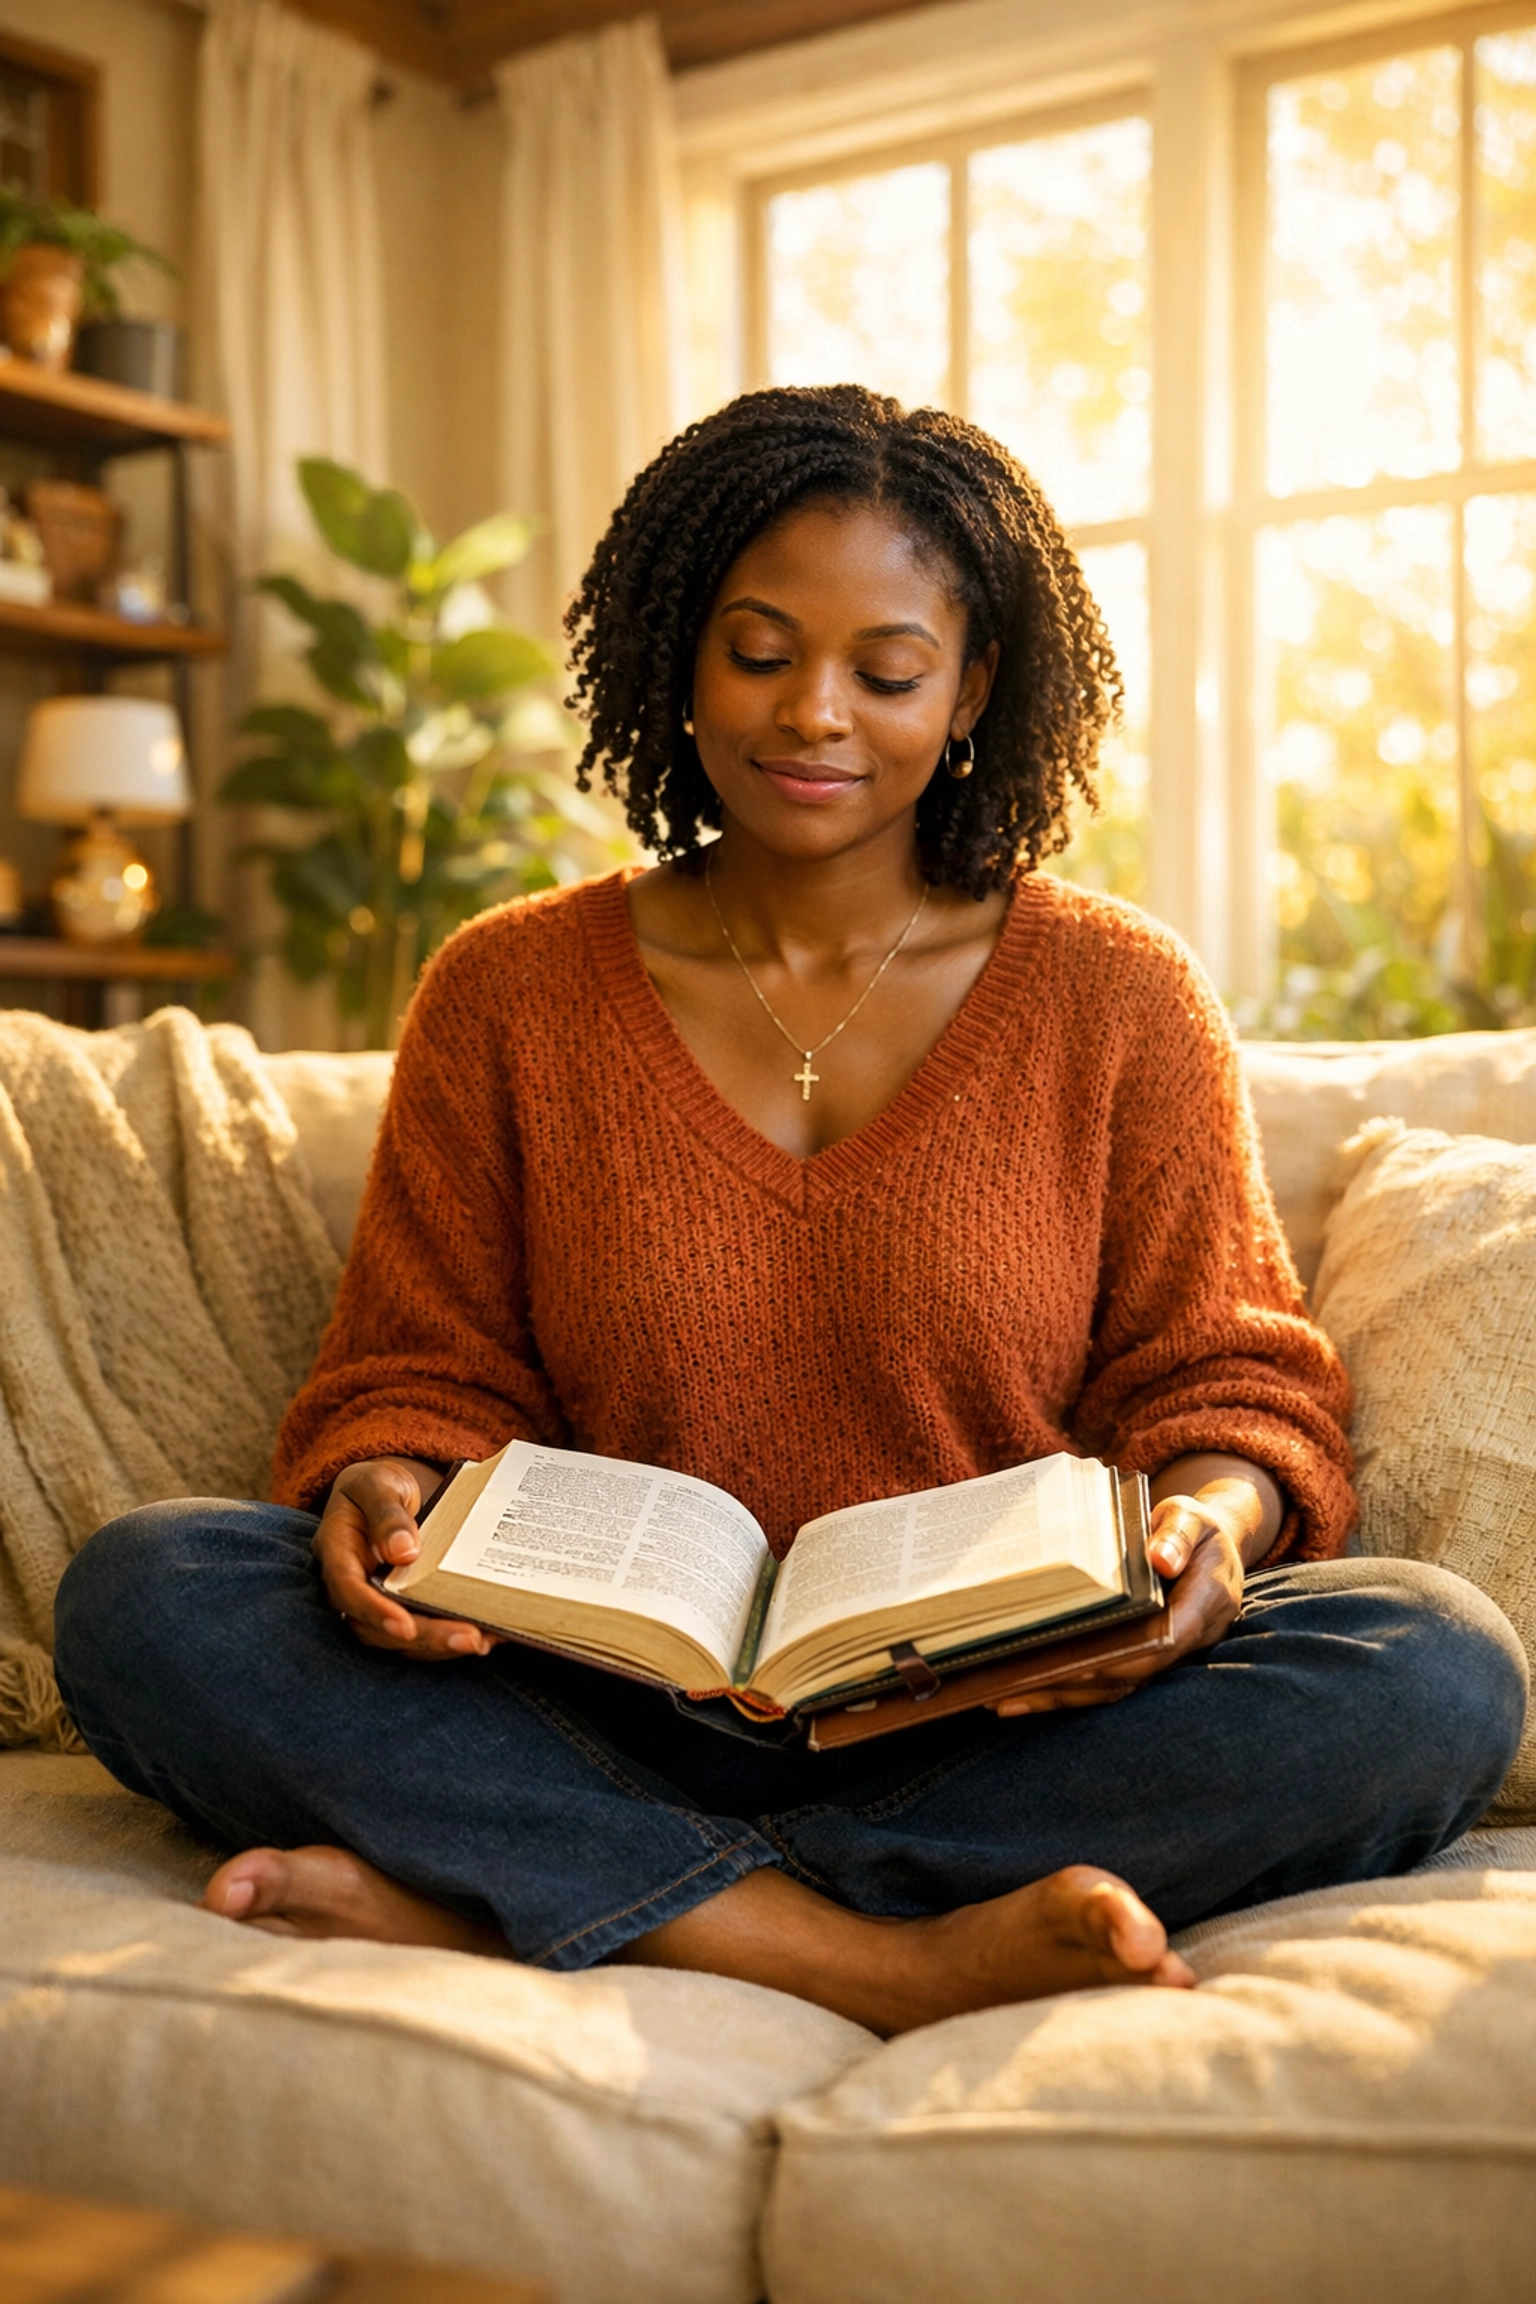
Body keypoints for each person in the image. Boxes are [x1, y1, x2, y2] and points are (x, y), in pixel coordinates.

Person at [53, 386, 1525, 2038]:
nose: (814, 713)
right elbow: (425, 1373)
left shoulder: (1120, 998)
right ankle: (870, 1955)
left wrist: (1210, 1530)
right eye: (759, 653)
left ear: (971, 690)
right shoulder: (507, 992)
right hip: (585, 1699)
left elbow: (1226, 1385)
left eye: (886, 672)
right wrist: (385, 1485)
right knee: (153, 1591)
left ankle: (549, 1898)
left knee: (1432, 1659)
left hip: (997, 1712)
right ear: (679, 655)